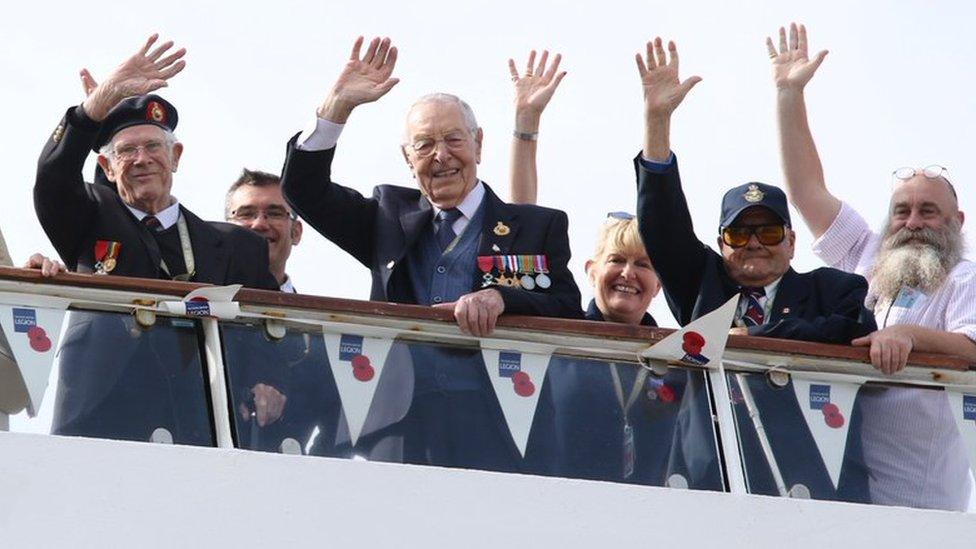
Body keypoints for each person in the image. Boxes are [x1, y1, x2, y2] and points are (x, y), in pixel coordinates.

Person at [280, 36, 582, 473]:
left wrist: (501, 298)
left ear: (478, 144)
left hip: (501, 427)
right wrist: (336, 109)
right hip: (399, 428)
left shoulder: (536, 226)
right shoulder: (387, 217)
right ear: (408, 157)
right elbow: (303, 190)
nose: (441, 156)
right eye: (424, 145)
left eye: (453, 139)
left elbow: (568, 310)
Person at [634, 37, 877, 501]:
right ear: (720, 242)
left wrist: (755, 343)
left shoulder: (836, 288)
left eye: (767, 233)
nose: (753, 245)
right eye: (738, 234)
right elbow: (661, 225)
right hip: (709, 488)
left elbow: (849, 330)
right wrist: (657, 122)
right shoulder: (703, 285)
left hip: (815, 491)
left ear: (791, 239)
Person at [34, 35, 278, 446]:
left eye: (153, 147)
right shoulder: (88, 217)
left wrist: (270, 381)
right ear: (107, 167)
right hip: (101, 425)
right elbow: (53, 178)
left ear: (176, 157)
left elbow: (272, 331)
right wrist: (96, 106)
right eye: (127, 151)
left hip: (204, 425)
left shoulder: (237, 246)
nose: (142, 158)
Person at [770, 22, 974, 511]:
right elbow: (806, 191)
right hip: (843, 474)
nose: (913, 221)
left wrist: (909, 337)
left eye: (928, 211)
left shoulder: (963, 278)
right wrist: (788, 93)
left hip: (919, 497)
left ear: (955, 221)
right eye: (902, 211)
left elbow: (973, 346)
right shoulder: (866, 253)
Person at [506, 52, 721, 489]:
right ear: (590, 270)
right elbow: (521, 225)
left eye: (643, 264)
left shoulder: (677, 354)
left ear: (658, 283)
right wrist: (526, 128)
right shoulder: (559, 331)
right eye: (616, 260)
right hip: (562, 510)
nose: (628, 273)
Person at [223, 169, 346, 457]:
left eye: (274, 213)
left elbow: (337, 417)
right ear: (224, 228)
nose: (259, 224)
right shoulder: (201, 308)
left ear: (297, 231)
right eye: (245, 213)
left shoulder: (318, 328)